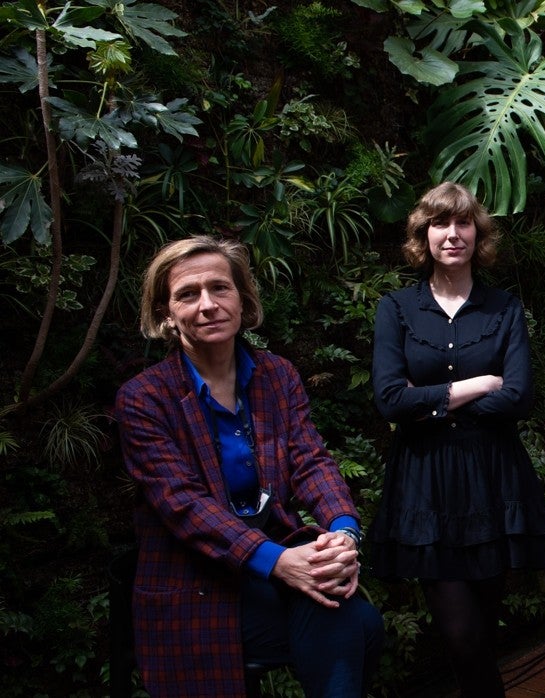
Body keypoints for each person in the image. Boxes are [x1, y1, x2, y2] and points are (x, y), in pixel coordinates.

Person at [116, 236, 383, 697]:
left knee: (354, 617)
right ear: (165, 313)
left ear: (242, 299)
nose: (208, 305)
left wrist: (343, 532)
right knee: (350, 623)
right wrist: (279, 562)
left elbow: (309, 459)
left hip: (276, 566)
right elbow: (182, 504)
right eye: (187, 294)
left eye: (220, 288)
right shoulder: (144, 399)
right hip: (195, 585)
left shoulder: (276, 375)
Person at [368, 182, 545, 697]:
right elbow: (388, 399)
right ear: (422, 234)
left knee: (481, 631)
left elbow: (518, 399)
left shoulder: (504, 308)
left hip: (492, 479)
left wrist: (426, 399)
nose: (452, 234)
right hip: (425, 483)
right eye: (439, 224)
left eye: (463, 223)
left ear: (479, 232)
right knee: (460, 635)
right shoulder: (397, 309)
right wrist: (478, 384)